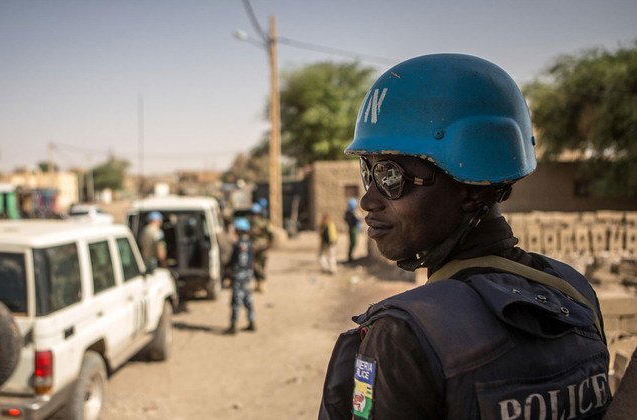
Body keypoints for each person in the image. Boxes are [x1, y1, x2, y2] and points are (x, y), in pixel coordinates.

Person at [319, 54, 611, 419]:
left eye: (390, 176)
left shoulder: (404, 334)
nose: (368, 200)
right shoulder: (573, 289)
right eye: (368, 173)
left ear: (470, 190)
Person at [225, 217, 256, 335]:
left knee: (236, 300)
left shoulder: (238, 244)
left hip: (238, 275)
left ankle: (233, 326)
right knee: (247, 298)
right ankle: (251, 321)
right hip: (248, 274)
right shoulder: (250, 243)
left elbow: (234, 261)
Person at [249, 203, 274, 293]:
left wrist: (269, 244)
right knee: (255, 266)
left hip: (263, 248)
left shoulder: (264, 223)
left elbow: (272, 234)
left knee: (261, 266)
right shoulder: (249, 222)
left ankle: (262, 284)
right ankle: (258, 284)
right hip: (253, 248)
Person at [343, 198, 361, 263]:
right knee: (353, 242)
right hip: (353, 229)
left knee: (353, 243)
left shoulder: (351, 212)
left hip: (354, 228)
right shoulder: (350, 212)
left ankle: (350, 256)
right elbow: (358, 219)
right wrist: (355, 215)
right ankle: (350, 256)